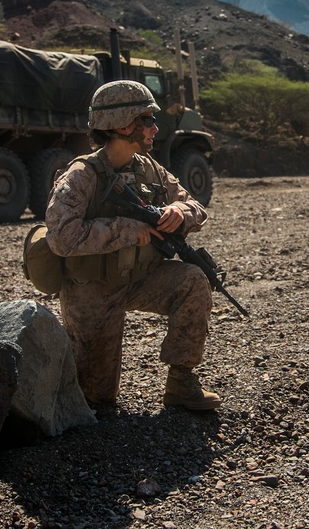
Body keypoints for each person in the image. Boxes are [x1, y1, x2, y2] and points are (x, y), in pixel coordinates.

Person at [44, 79, 221, 412]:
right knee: (98, 400)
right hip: (93, 289)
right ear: (122, 125)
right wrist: (124, 230)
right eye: (148, 120)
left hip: (140, 278)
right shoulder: (81, 175)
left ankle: (181, 384)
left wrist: (181, 212)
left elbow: (196, 207)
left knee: (194, 280)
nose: (155, 128)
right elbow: (60, 237)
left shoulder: (149, 169)